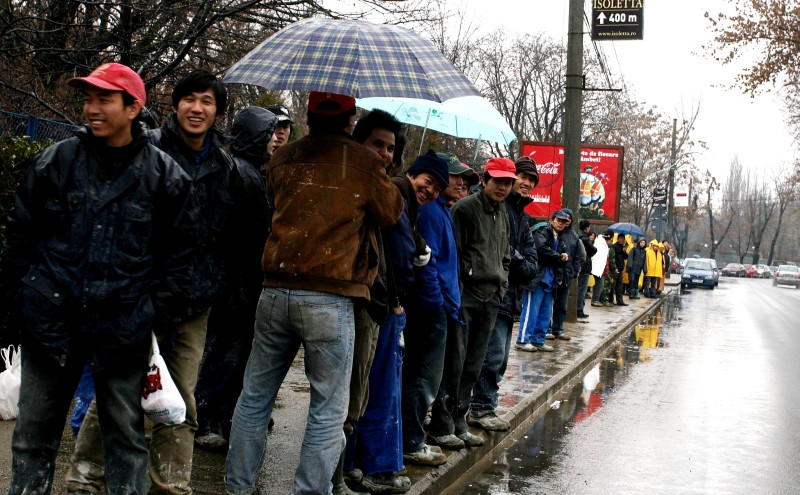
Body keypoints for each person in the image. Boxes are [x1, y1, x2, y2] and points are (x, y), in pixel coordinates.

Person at [1, 62, 192, 495]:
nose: (92, 108)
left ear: (133, 108)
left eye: (104, 99)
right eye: (88, 99)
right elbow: (20, 236)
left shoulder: (165, 177)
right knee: (32, 440)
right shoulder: (57, 161)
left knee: (125, 441)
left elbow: (180, 261)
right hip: (50, 325)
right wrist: (25, 303)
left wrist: (150, 317)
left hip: (122, 332)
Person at [66, 69, 243, 495]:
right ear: (175, 104)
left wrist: (214, 282)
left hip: (193, 302)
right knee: (118, 391)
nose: (196, 108)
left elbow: (228, 236)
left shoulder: (226, 167)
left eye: (207, 101)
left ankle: (171, 486)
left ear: (218, 112)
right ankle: (85, 478)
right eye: (189, 98)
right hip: (138, 297)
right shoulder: (148, 150)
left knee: (179, 401)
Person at [224, 92, 403, 495]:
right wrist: (378, 169)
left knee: (254, 398)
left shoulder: (283, 157)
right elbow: (391, 212)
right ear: (351, 119)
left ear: (309, 114)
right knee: (327, 410)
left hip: (275, 290)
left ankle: (238, 487)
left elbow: (275, 200)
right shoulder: (364, 161)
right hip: (330, 297)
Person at [194, 106, 279, 450]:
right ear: (258, 136)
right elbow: (251, 234)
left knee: (230, 354)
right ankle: (206, 420)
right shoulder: (244, 174)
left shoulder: (243, 170)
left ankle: (218, 417)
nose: (274, 141)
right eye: (270, 134)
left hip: (236, 282)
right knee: (225, 355)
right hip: (237, 285)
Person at [342, 109, 417, 494]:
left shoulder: (387, 189)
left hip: (382, 302)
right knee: (365, 391)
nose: (385, 153)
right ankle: (365, 468)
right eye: (377, 144)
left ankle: (354, 466)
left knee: (363, 390)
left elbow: (401, 249)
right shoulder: (365, 189)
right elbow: (394, 253)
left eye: (390, 148)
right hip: (371, 303)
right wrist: (396, 297)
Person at [426, 157, 515, 450]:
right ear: (485, 180)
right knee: (454, 362)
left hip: (491, 298)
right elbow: (453, 255)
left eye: (508, 182)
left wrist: (501, 282)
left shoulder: (503, 212)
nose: (502, 187)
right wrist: (458, 294)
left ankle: (460, 421)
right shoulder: (465, 209)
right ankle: (441, 425)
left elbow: (505, 254)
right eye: (498, 181)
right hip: (465, 297)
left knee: (474, 364)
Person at [468, 156, 539, 432]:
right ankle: (480, 407)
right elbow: (500, 250)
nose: (526, 183)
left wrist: (519, 262)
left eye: (531, 180)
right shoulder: (496, 208)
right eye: (523, 177)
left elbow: (531, 264)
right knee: (490, 356)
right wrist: (519, 261)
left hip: (511, 297)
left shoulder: (523, 217)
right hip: (491, 294)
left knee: (499, 358)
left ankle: (484, 406)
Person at [400, 151, 461, 467]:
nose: (432, 189)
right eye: (430, 181)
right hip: (427, 307)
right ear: (413, 174)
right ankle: (411, 441)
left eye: (438, 186)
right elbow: (428, 263)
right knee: (422, 377)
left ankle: (411, 438)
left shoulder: (438, 209)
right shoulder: (429, 212)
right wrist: (436, 302)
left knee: (424, 377)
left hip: (438, 305)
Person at [515, 210, 569, 352]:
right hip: (537, 278)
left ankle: (538, 340)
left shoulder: (560, 237)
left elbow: (560, 257)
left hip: (550, 279)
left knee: (545, 313)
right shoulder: (542, 232)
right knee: (531, 311)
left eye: (563, 222)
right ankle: (522, 340)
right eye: (559, 220)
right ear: (552, 220)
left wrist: (563, 257)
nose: (561, 224)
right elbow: (541, 249)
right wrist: (559, 256)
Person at [547, 208, 585, 340]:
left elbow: (578, 256)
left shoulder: (574, 236)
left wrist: (574, 271)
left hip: (566, 276)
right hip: (553, 274)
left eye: (569, 218)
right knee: (549, 303)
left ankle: (558, 329)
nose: (566, 220)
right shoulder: (553, 233)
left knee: (562, 304)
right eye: (564, 218)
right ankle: (547, 329)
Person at [575, 219, 597, 318]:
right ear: (587, 228)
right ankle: (579, 309)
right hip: (585, 266)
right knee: (582, 289)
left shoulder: (576, 235)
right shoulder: (584, 238)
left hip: (577, 265)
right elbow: (594, 250)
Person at [590, 231, 613, 307]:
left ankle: (595, 299)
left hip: (600, 268)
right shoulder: (601, 244)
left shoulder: (602, 243)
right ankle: (595, 300)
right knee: (600, 284)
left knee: (599, 284)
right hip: (597, 267)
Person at [612, 234, 629, 306]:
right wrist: (614, 267)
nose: (622, 240)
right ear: (618, 239)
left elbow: (626, 257)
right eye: (621, 238)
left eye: (623, 239)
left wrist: (624, 251)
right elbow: (612, 258)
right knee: (613, 285)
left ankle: (620, 300)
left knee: (620, 286)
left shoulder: (623, 247)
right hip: (615, 269)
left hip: (621, 269)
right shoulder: (614, 246)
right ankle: (610, 300)